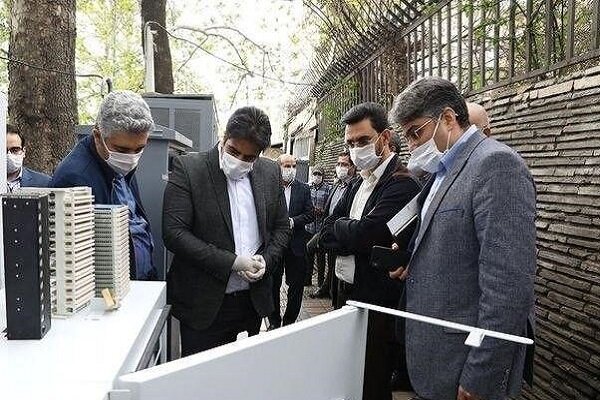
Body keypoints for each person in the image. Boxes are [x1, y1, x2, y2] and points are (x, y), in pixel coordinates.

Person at [388, 77, 536, 400]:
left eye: (416, 133)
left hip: (464, 367)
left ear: (448, 118)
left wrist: (481, 374)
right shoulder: (441, 171)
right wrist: (414, 261)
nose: (411, 146)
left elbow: (508, 287)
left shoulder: (495, 165)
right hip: (434, 359)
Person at [163, 106, 291, 355]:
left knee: (244, 373)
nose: (239, 160)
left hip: (252, 304)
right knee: (202, 377)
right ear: (224, 137)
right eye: (233, 151)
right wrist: (232, 262)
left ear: (260, 154)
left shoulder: (270, 172)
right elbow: (174, 233)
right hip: (204, 306)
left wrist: (266, 260)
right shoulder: (189, 169)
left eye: (249, 157)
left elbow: (281, 228)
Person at [320, 102, 420, 400]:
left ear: (385, 137)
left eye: (363, 140)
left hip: (378, 304)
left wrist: (345, 229)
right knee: (349, 378)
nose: (356, 149)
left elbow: (369, 234)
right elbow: (326, 231)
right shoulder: (357, 182)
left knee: (372, 383)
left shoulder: (402, 184)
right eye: (350, 143)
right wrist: (348, 231)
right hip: (346, 294)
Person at [51, 90, 156, 280]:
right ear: (98, 136)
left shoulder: (117, 164)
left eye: (139, 149)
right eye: (122, 149)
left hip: (138, 282)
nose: (131, 158)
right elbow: (76, 261)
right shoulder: (74, 179)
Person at [269, 154, 314, 329]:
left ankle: (289, 322)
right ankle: (274, 321)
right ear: (278, 167)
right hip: (275, 244)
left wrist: (293, 221)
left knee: (296, 285)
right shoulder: (270, 187)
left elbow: (310, 214)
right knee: (273, 283)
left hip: (296, 245)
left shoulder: (303, 189)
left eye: (293, 166)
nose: (291, 170)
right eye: (287, 166)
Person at [309, 151, 357, 301]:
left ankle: (331, 292)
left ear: (353, 167)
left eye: (344, 164)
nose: (340, 167)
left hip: (341, 234)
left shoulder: (355, 186)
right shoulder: (336, 186)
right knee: (324, 259)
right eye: (338, 164)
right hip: (327, 230)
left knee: (337, 268)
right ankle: (327, 288)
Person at [305, 165, 331, 287]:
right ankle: (307, 279)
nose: (317, 176)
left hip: (321, 228)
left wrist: (322, 211)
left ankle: (320, 282)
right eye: (315, 174)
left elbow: (330, 207)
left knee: (321, 256)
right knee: (308, 254)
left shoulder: (328, 189)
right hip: (309, 227)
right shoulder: (307, 187)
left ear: (322, 176)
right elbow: (304, 205)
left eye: (319, 174)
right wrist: (311, 211)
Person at [5, 124, 51, 191]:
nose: (9, 155)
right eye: (3, 150)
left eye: (15, 150)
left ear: (23, 152)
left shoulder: (44, 183)